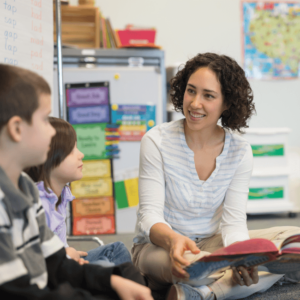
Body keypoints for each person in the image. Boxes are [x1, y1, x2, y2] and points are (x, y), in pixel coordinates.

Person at [131, 53, 300, 300]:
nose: (195, 103)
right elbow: (149, 216)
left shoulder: (240, 151)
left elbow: (233, 222)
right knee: (195, 267)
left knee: (293, 242)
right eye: (191, 91)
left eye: (208, 96)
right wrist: (174, 240)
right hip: (159, 247)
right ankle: (212, 286)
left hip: (214, 244)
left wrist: (242, 257)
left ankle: (200, 293)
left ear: (227, 103)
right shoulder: (156, 141)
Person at [0, 64, 153, 300]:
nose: (51, 133)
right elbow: (19, 292)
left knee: (121, 273)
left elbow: (55, 262)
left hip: (46, 283)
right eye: (43, 120)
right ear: (17, 129)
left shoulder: (25, 188)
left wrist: (111, 280)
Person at [25, 117, 131, 267]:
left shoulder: (60, 196)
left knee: (117, 249)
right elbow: (40, 261)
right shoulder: (38, 203)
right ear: (49, 158)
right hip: (55, 271)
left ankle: (135, 288)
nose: (81, 154)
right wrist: (67, 256)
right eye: (72, 150)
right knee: (105, 266)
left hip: (65, 261)